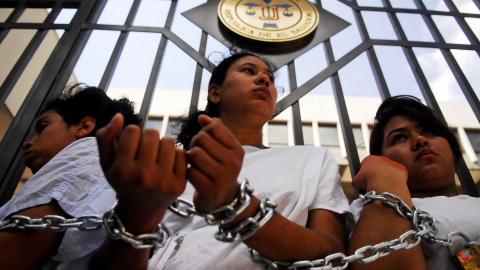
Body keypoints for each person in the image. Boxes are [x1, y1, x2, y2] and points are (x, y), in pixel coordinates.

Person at [92, 52, 352, 269]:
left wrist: (234, 204)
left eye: (270, 79)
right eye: (249, 71)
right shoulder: (170, 171)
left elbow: (331, 253)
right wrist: (138, 214)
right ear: (215, 93)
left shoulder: (312, 159)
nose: (264, 79)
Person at [0, 85, 141, 270]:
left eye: (42, 127)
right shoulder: (107, 170)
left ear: (84, 127)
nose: (27, 143)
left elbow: (12, 253)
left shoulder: (87, 152)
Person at [347, 95, 480, 270]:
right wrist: (385, 179)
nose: (420, 140)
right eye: (399, 137)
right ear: (382, 158)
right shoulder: (364, 212)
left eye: (428, 131)